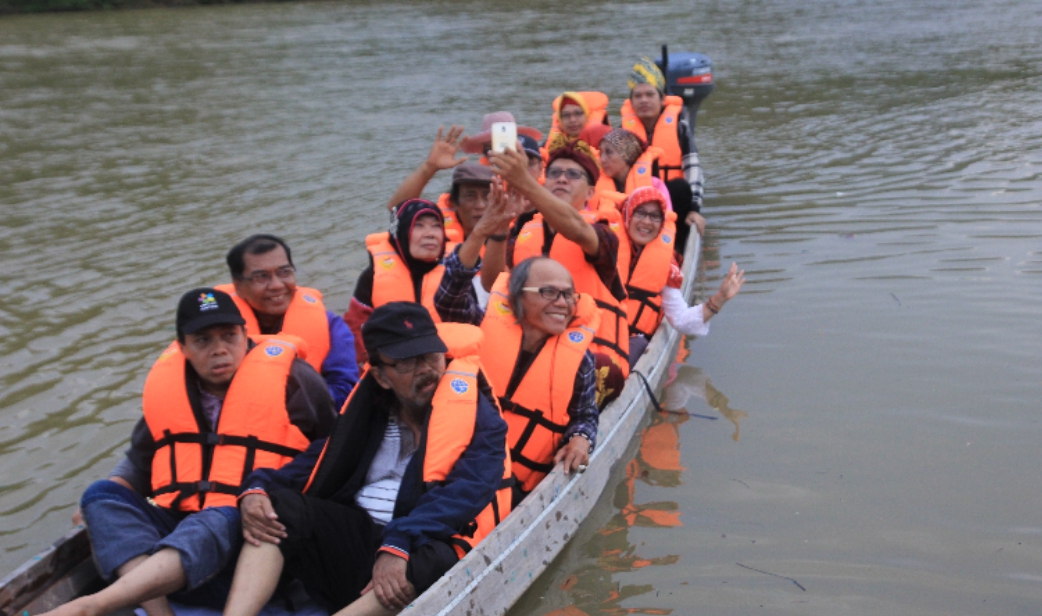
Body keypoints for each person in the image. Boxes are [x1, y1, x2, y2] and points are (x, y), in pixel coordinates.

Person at [44, 288, 337, 616]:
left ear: (245, 335)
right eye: (203, 341)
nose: (219, 350)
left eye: (229, 336)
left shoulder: (295, 381)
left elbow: (333, 450)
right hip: (181, 538)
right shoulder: (171, 391)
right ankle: (160, 611)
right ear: (182, 347)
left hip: (254, 537)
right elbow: (139, 462)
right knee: (100, 495)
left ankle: (94, 605)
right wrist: (99, 508)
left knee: (220, 514)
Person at [221, 302, 510, 616]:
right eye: (407, 363)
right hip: (357, 541)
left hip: (417, 541)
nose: (425, 369)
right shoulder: (368, 413)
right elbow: (318, 460)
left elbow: (471, 487)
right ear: (381, 376)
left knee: (434, 559)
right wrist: (257, 489)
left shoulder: (475, 412)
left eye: (430, 355)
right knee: (279, 506)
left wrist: (399, 542)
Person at [432, 193, 601, 503]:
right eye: (549, 292)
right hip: (460, 468)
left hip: (519, 484)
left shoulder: (581, 361)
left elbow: (585, 415)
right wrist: (482, 230)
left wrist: (581, 439)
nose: (562, 304)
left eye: (568, 296)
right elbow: (448, 295)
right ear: (518, 296)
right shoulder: (481, 329)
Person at [487, 136, 629, 407]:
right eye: (554, 173)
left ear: (590, 193)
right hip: (533, 353)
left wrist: (523, 181)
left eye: (574, 175)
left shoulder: (602, 235)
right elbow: (493, 284)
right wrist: (498, 229)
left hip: (591, 360)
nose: (562, 179)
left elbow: (575, 227)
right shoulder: (525, 232)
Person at [219, 234, 359, 409]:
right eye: (261, 277)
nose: (277, 285)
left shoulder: (331, 326)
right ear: (238, 286)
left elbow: (345, 392)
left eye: (284, 272)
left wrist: (283, 399)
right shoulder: (218, 334)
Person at [618, 186, 744, 364]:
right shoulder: (605, 248)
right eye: (640, 213)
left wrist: (720, 298)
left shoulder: (664, 267)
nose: (646, 222)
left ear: (662, 223)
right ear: (628, 215)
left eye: (654, 216)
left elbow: (681, 319)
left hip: (631, 343)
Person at [344, 199, 460, 364]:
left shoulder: (458, 272)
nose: (430, 233)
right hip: (396, 370)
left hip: (448, 366)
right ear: (401, 233)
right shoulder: (372, 277)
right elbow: (355, 332)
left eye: (436, 226)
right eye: (419, 225)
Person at [620, 56, 705, 251]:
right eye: (638, 95)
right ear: (631, 101)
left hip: (673, 203)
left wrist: (694, 209)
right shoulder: (622, 135)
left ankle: (678, 251)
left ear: (662, 99)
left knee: (681, 188)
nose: (644, 100)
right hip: (636, 203)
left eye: (650, 94)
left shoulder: (679, 128)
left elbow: (693, 169)